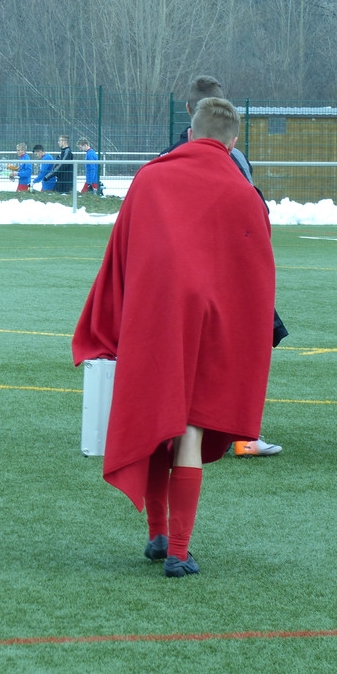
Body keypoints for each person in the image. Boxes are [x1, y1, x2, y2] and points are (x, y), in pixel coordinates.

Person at [72, 98, 276, 577]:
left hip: (154, 318)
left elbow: (118, 258)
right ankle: (180, 550)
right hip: (211, 325)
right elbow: (257, 279)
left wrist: (106, 323)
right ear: (233, 141)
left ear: (189, 133)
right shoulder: (243, 191)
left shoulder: (150, 178)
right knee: (189, 425)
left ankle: (157, 534)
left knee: (156, 418)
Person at [163, 74, 283, 458]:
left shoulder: (170, 157)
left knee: (222, 347)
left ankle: (216, 429)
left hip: (208, 272)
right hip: (213, 272)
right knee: (226, 347)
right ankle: (215, 430)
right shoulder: (208, 157)